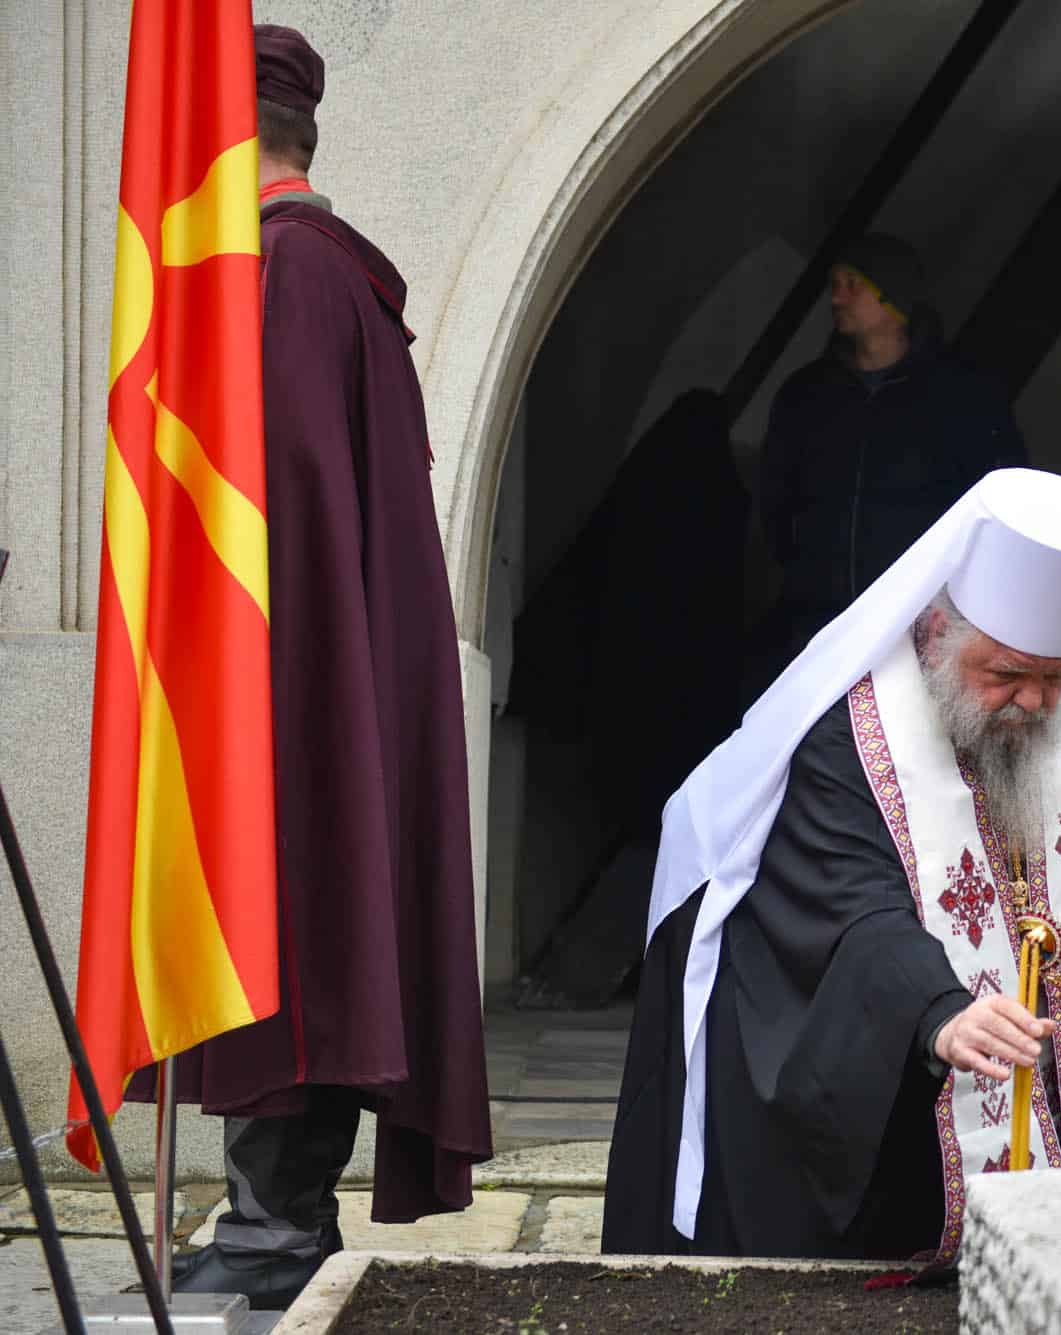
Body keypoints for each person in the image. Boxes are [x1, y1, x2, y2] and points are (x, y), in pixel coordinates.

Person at [603, 468, 1061, 1264]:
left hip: (993, 1042)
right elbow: (855, 908)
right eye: (1006, 676)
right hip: (845, 1051)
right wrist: (940, 1011)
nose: (1033, 703)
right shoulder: (848, 734)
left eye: (1055, 679)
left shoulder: (1045, 718)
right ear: (938, 635)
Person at [138, 26, 493, 1309]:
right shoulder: (322, 274)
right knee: (307, 934)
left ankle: (275, 1228)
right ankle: (267, 1219)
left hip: (291, 680)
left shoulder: (289, 273)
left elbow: (273, 514)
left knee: (293, 933)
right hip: (316, 672)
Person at [754, 234, 1027, 683]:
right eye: (834, 284)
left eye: (852, 284)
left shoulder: (961, 395)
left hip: (923, 626)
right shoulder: (807, 393)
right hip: (818, 623)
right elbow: (775, 503)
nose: (836, 297)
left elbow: (1001, 506)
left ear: (892, 297)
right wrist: (810, 571)